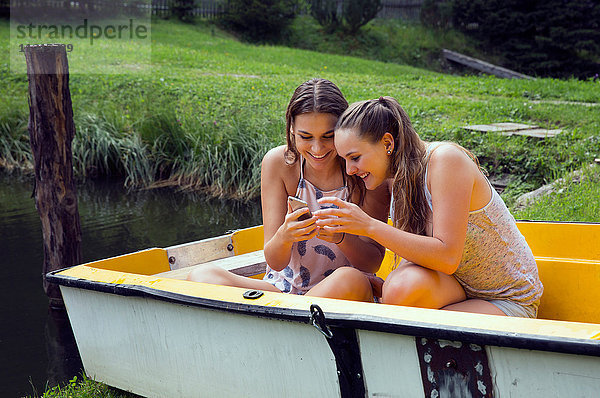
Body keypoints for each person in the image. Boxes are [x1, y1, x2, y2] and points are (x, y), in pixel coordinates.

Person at [314, 96, 543, 317]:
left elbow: (447, 257)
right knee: (399, 287)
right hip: (457, 287)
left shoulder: (446, 161)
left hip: (504, 299)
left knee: (398, 295)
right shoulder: (396, 177)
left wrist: (368, 226)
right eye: (344, 160)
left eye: (354, 158)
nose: (349, 170)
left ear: (387, 143)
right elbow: (416, 254)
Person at [188, 79, 389, 301]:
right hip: (284, 292)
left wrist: (342, 238)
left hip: (341, 293)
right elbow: (275, 261)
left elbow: (372, 263)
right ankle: (298, 317)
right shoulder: (278, 163)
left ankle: (288, 321)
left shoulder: (363, 170)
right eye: (305, 137)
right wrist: (285, 235)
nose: (317, 148)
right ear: (291, 129)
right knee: (201, 275)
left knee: (349, 278)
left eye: (327, 136)